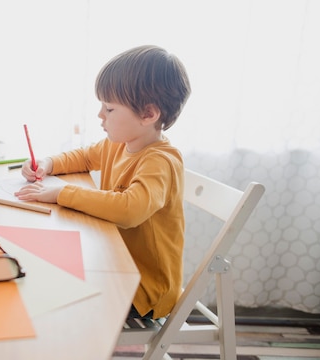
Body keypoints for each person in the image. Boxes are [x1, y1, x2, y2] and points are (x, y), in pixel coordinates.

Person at [15, 45, 191, 319]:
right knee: (42, 268)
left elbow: (129, 210)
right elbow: (85, 157)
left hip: (142, 287)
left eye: (109, 108)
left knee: (45, 292)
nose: (100, 115)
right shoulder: (119, 144)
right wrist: (49, 163)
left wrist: (62, 192)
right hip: (113, 262)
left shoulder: (160, 161)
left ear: (148, 114)